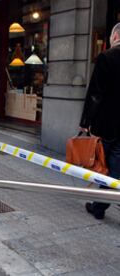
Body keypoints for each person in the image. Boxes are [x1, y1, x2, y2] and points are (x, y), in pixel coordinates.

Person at [80, 23, 120, 220]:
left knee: (104, 168)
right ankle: (100, 204)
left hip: (106, 123)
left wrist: (86, 121)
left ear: (115, 36)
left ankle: (99, 205)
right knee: (115, 167)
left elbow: (95, 93)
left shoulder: (106, 57)